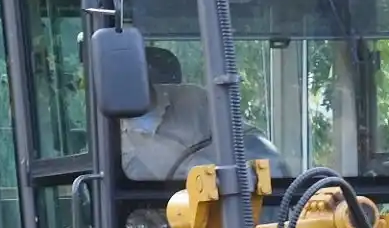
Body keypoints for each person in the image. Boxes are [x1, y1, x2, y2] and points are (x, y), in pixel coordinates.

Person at [121, 45, 285, 181]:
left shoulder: (195, 100)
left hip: (227, 209)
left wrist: (255, 171)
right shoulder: (102, 133)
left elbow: (252, 143)